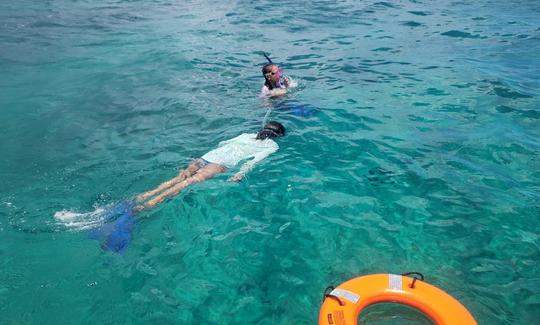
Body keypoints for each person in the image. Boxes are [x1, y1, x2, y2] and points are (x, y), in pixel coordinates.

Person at [134, 121, 286, 211]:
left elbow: (224, 143)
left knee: (180, 177)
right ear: (277, 136)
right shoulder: (272, 146)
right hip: (222, 163)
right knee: (188, 183)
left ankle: (144, 195)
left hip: (209, 155)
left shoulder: (247, 135)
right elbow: (253, 161)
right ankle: (148, 204)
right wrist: (239, 173)